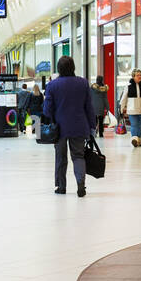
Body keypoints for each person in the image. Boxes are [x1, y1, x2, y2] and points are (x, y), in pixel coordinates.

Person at [42, 55, 96, 198]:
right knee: (78, 156)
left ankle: (61, 186)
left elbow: (47, 110)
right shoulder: (83, 83)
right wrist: (92, 126)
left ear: (59, 69)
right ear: (73, 67)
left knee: (60, 157)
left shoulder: (52, 85)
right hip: (79, 126)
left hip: (59, 128)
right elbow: (89, 108)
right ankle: (80, 184)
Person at [122, 69, 141, 149]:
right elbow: (124, 97)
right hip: (132, 109)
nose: (139, 76)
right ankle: (134, 138)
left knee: (140, 125)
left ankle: (138, 140)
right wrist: (122, 107)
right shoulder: (128, 85)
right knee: (134, 124)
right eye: (137, 75)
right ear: (133, 76)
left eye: (140, 75)